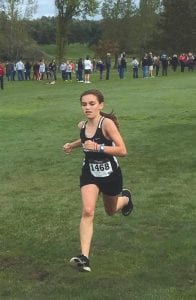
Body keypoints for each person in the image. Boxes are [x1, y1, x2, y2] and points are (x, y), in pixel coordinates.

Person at [63, 89, 133, 272]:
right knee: (87, 210)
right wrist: (72, 144)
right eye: (84, 104)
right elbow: (86, 140)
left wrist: (99, 147)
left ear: (101, 105)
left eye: (92, 103)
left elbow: (123, 150)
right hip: (90, 173)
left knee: (111, 210)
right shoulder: (84, 125)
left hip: (111, 174)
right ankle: (84, 258)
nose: (87, 107)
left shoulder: (107, 124)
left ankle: (125, 199)